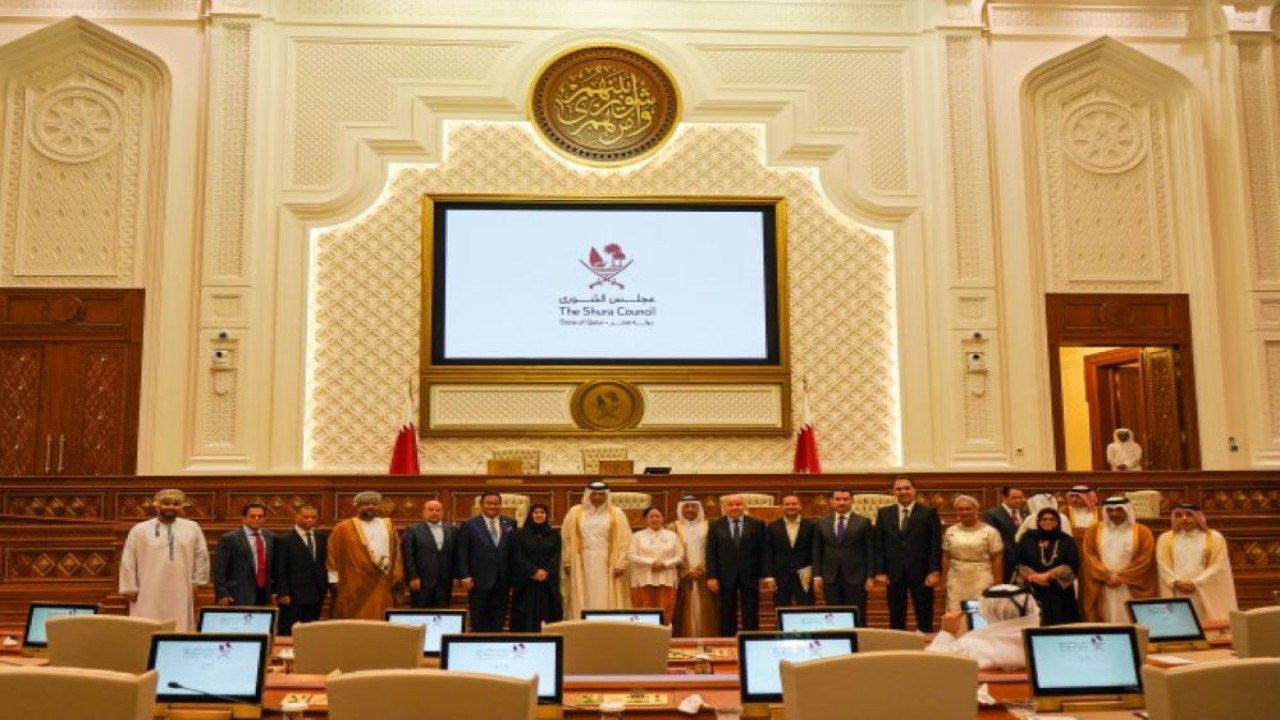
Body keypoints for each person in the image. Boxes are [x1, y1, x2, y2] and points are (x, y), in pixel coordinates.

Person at [119, 488, 210, 632]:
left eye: (175, 504)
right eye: (166, 503)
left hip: (182, 586)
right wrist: (130, 587)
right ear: (156, 505)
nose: (171, 507)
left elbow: (201, 555)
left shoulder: (192, 528)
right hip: (148, 589)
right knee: (147, 625)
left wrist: (198, 582)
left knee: (179, 624)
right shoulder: (140, 530)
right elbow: (129, 559)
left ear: (181, 507)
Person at [874, 476, 943, 631]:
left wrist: (934, 571)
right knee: (896, 612)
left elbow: (934, 543)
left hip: (922, 571)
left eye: (906, 488)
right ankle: (898, 643)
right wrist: (880, 571)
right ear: (893, 492)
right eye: (899, 489)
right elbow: (879, 544)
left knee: (924, 610)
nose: (903, 491)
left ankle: (925, 642)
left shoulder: (928, 512)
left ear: (914, 490)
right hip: (894, 571)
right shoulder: (884, 513)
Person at [926, 585, 1042, 670]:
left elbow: (931, 664)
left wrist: (947, 632)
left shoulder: (971, 646)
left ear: (986, 610)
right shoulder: (1044, 643)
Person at [1079, 496, 1158, 622]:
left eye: (1119, 510)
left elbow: (1144, 560)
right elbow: (1090, 557)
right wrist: (1106, 576)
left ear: (1127, 511)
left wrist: (1121, 577)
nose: (1114, 514)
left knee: (1131, 620)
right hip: (1104, 584)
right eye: (1110, 510)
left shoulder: (1142, 532)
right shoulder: (1093, 531)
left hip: (1130, 585)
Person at [561, 481, 632, 619]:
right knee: (584, 595)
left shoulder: (617, 513)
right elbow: (567, 538)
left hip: (608, 562)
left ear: (607, 495)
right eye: (594, 494)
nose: (597, 497)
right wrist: (568, 561)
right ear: (588, 495)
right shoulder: (575, 512)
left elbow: (626, 540)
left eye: (601, 494)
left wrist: (621, 563)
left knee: (606, 596)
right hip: (582, 562)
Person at [1155, 503, 1237, 622]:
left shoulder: (1214, 537)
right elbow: (1162, 564)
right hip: (1177, 589)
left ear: (1198, 517)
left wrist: (1196, 583)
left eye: (1189, 515)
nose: (1184, 519)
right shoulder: (1165, 538)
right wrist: (1176, 582)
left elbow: (1218, 565)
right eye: (1179, 515)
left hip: (1202, 589)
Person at [327, 490, 403, 620]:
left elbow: (396, 551)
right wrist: (333, 579)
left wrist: (396, 573)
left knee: (379, 615)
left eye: (374, 504)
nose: (370, 507)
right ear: (357, 506)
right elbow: (332, 553)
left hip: (381, 580)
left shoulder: (387, 525)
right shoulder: (343, 527)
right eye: (366, 504)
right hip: (354, 583)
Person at [705, 494, 768, 636]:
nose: (734, 507)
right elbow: (711, 553)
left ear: (744, 507)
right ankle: (727, 641)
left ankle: (751, 639)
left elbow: (763, 551)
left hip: (750, 575)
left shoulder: (757, 524)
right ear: (724, 507)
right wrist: (712, 576)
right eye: (731, 505)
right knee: (726, 612)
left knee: (751, 611)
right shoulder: (715, 525)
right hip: (725, 576)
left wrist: (765, 576)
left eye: (738, 504)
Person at [811, 488, 875, 623]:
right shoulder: (821, 522)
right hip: (830, 576)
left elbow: (870, 550)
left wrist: (870, 576)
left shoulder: (863, 522)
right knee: (834, 614)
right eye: (838, 499)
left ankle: (859, 640)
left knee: (857, 613)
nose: (842, 502)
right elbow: (816, 550)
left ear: (851, 501)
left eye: (845, 499)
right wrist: (817, 575)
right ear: (831, 501)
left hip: (856, 576)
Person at [457, 491, 516, 631]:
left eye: (496, 503)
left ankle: (496, 643)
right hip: (478, 579)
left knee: (499, 617)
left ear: (500, 505)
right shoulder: (469, 524)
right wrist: (464, 575)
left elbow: (513, 552)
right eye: (489, 503)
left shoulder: (510, 523)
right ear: (481, 505)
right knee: (479, 618)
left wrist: (514, 578)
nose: (492, 506)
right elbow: (462, 552)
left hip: (503, 579)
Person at [1014, 507, 1080, 625]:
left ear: (1058, 522)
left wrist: (1049, 575)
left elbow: (1073, 563)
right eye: (1043, 519)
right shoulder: (1027, 538)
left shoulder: (1066, 540)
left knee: (1060, 623)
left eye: (1052, 519)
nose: (1047, 522)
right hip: (1033, 588)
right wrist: (1033, 576)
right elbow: (1018, 561)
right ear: (1038, 521)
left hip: (1059, 591)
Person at [273, 503, 328, 636]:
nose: (310, 520)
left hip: (316, 593)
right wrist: (282, 592)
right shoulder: (284, 539)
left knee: (312, 631)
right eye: (305, 517)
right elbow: (280, 568)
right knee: (290, 630)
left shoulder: (322, 538)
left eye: (313, 517)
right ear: (297, 517)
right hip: (292, 595)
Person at [941, 494, 1003, 612]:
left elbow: (997, 559)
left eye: (968, 509)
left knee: (979, 612)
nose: (964, 512)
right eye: (960, 509)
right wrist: (944, 580)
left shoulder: (990, 532)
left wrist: (997, 583)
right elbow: (946, 556)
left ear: (976, 509)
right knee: (956, 612)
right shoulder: (950, 531)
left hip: (981, 576)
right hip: (956, 578)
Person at [669, 495, 718, 637]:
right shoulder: (673, 527)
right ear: (680, 509)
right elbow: (670, 552)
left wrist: (703, 569)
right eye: (687, 506)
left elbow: (714, 550)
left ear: (699, 508)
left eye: (693, 506)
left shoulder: (709, 526)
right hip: (682, 576)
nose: (690, 509)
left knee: (707, 609)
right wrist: (686, 571)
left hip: (705, 574)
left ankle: (708, 638)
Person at [510, 503, 563, 631]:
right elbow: (518, 556)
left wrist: (545, 571)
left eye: (542, 512)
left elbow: (557, 555)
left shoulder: (554, 534)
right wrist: (533, 571)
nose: (539, 515)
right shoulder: (520, 534)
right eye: (536, 512)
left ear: (546, 516)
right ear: (530, 515)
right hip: (527, 582)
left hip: (547, 581)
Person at [214, 501, 275, 606]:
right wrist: (222, 593)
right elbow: (219, 569)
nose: (256, 519)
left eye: (260, 516)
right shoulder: (229, 538)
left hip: (264, 592)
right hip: (237, 593)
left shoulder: (271, 537)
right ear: (243, 518)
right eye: (253, 516)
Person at [628, 507, 683, 621]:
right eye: (651, 516)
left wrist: (664, 564)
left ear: (663, 519)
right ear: (645, 519)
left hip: (666, 578)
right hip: (643, 579)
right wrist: (651, 563)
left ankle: (664, 636)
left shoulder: (672, 536)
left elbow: (680, 556)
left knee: (666, 610)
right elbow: (631, 555)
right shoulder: (637, 536)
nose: (654, 519)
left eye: (657, 516)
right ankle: (644, 637)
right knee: (643, 610)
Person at [401, 499, 458, 608]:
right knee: (420, 613)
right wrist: (413, 577)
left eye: (438, 510)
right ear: (423, 512)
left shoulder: (452, 530)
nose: (434, 513)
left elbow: (456, 554)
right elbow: (408, 555)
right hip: (421, 581)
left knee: (442, 614)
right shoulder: (413, 530)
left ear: (442, 512)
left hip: (445, 580)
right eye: (430, 510)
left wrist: (456, 576)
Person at [764, 494, 817, 607]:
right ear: (782, 506)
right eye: (787, 504)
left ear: (800, 506)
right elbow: (767, 553)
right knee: (781, 610)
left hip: (805, 576)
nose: (791, 506)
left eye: (794, 504)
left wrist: (816, 574)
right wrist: (769, 576)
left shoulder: (811, 526)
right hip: (781, 576)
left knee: (807, 610)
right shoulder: (772, 527)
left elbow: (815, 552)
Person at [982, 486, 1026, 582]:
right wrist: (1014, 554)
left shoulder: (1025, 513)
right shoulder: (992, 514)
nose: (1018, 500)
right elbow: (995, 538)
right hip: (1004, 560)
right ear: (1004, 498)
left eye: (1020, 497)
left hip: (1025, 561)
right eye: (1014, 498)